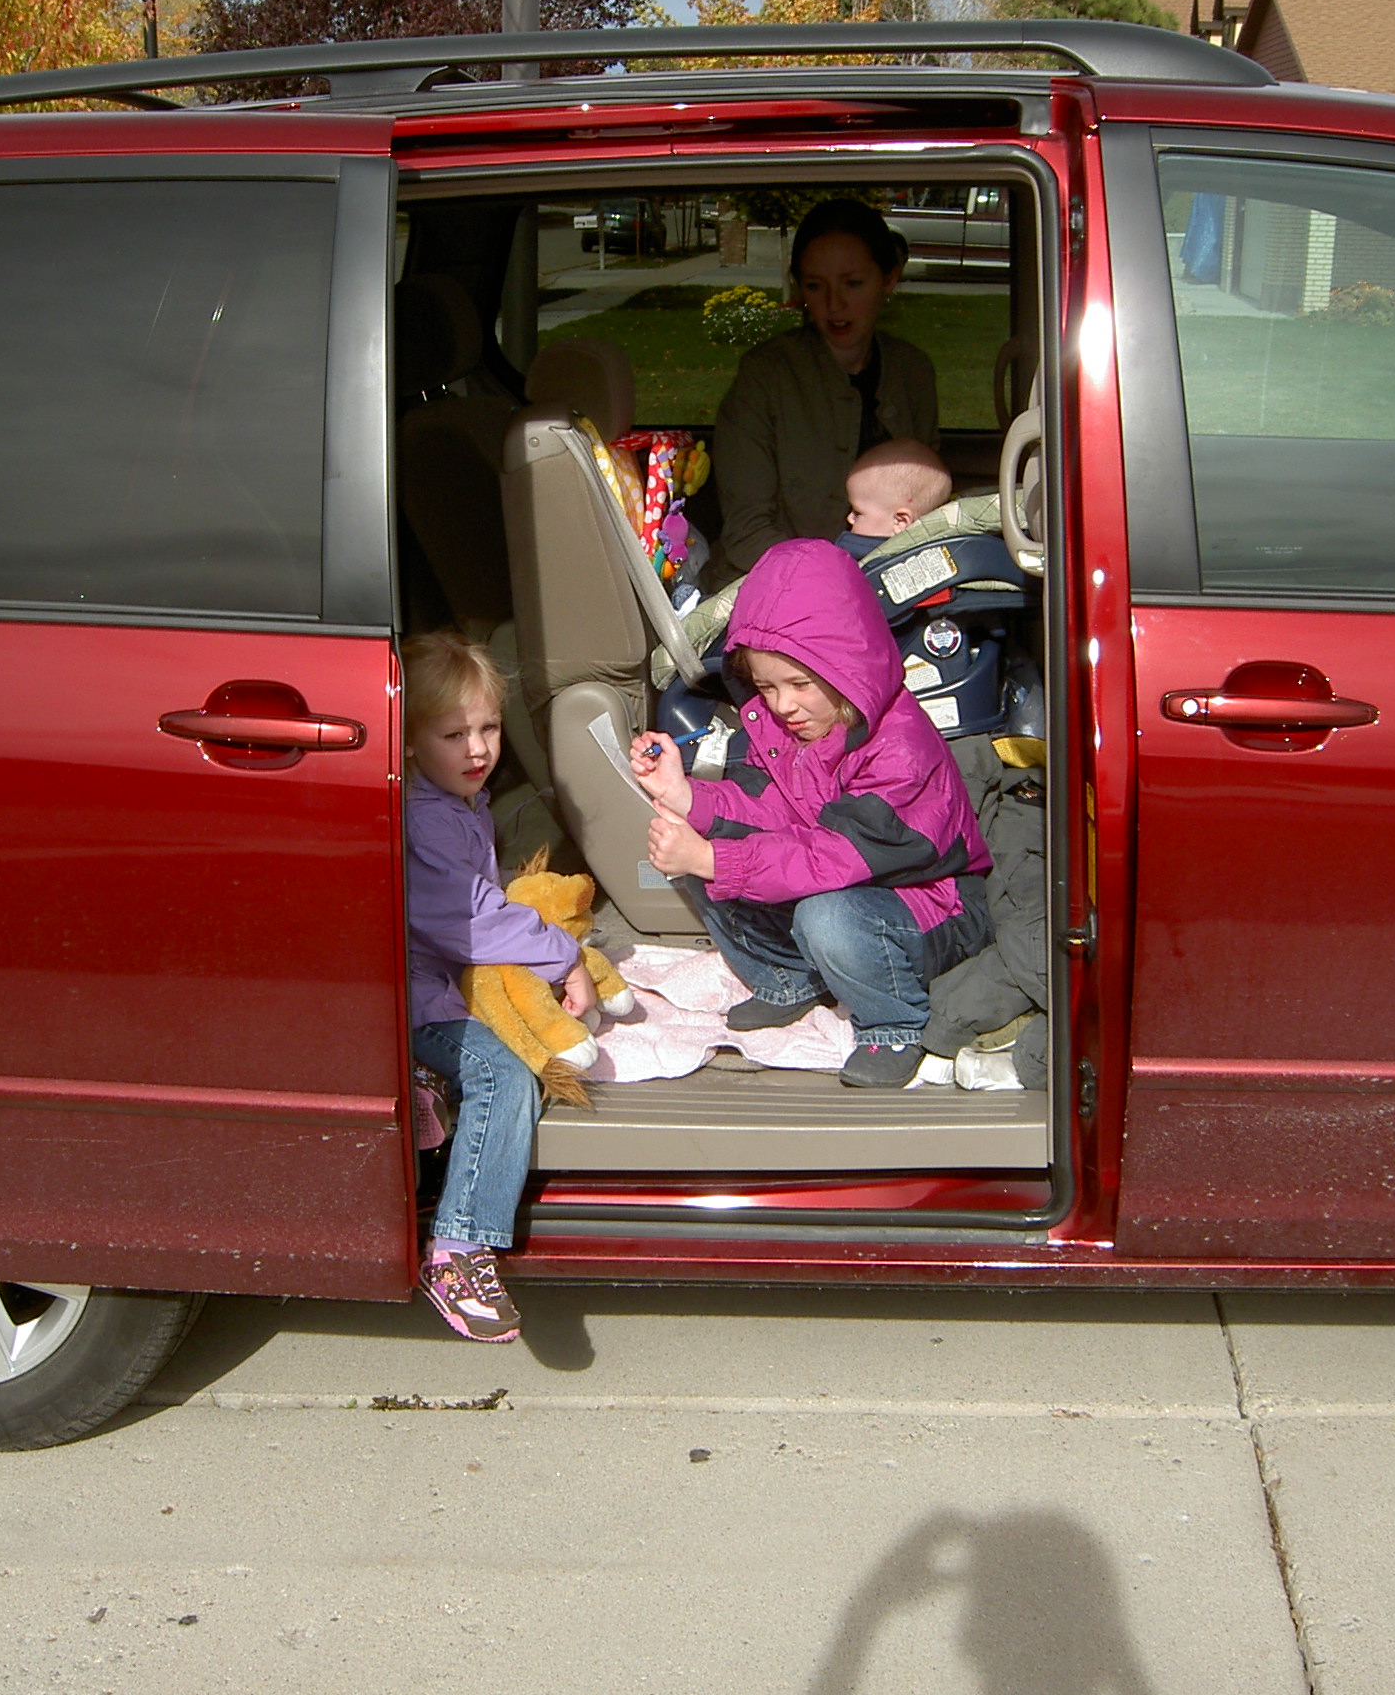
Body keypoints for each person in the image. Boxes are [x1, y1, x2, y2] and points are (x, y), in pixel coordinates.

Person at [629, 538, 992, 1088]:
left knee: (819, 912)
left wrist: (713, 860)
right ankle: (788, 979)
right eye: (766, 686)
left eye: (800, 684)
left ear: (849, 669)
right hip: (846, 885)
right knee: (703, 852)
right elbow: (768, 809)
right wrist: (686, 797)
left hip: (934, 905)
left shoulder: (900, 752)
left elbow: (828, 856)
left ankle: (894, 1022)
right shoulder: (788, 730)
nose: (782, 705)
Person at [401, 630, 596, 1342]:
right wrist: (563, 956)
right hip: (416, 997)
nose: (478, 749)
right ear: (409, 742)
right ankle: (458, 1247)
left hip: (437, 983)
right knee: (504, 1075)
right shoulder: (426, 819)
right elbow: (469, 921)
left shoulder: (459, 802)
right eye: (454, 734)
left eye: (488, 728)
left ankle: (426, 1083)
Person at [713, 199, 940, 576]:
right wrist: (833, 585)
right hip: (775, 585)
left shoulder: (913, 371)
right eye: (816, 286)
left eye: (853, 283)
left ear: (888, 279)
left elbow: (927, 509)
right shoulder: (765, 375)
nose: (835, 304)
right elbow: (747, 532)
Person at [838, 437, 954, 557]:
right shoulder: (940, 555)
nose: (849, 518)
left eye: (857, 513)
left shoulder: (855, 553)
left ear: (900, 522)